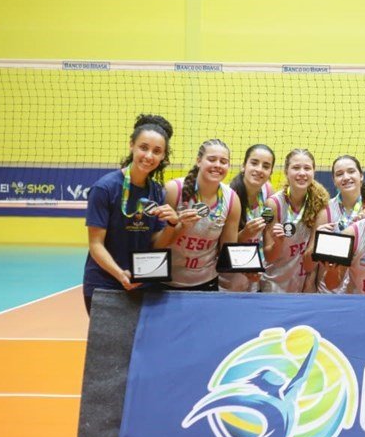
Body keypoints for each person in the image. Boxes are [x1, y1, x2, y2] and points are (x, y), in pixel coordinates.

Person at [83, 114, 178, 314]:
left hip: (144, 283)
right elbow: (95, 244)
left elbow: (156, 244)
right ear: (132, 146)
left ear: (163, 156)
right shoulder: (105, 188)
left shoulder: (157, 191)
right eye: (144, 147)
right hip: (106, 284)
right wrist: (120, 274)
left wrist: (172, 224)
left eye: (157, 151)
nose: (149, 156)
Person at [156, 139, 241, 291]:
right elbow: (156, 244)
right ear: (198, 161)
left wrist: (247, 267)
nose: (218, 165)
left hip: (206, 281)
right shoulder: (174, 190)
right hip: (166, 281)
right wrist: (180, 226)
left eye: (223, 161)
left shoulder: (232, 199)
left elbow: (227, 250)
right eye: (212, 159)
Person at [261, 148, 329, 293]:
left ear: (313, 172)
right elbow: (269, 257)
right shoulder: (273, 204)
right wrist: (278, 243)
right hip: (273, 284)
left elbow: (310, 265)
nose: (302, 173)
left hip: (302, 286)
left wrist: (319, 240)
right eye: (296, 167)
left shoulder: (319, 206)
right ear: (286, 171)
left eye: (307, 168)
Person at [220, 144, 275, 292]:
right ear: (244, 166)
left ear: (270, 172)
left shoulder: (268, 191)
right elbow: (222, 248)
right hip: (230, 276)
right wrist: (245, 234)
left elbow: (267, 234)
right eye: (254, 163)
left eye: (266, 166)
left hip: (256, 273)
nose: (259, 169)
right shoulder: (229, 196)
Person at [314, 154, 365, 294]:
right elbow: (309, 264)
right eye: (339, 174)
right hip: (328, 293)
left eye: (351, 171)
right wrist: (317, 241)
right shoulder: (325, 211)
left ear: (361, 175)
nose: (346, 177)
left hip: (358, 293)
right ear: (334, 180)